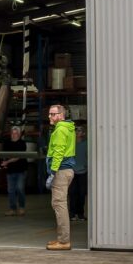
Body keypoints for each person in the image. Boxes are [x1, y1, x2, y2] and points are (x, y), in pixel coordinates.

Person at [46, 105, 77, 250]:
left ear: (61, 115)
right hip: (66, 170)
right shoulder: (68, 128)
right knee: (59, 203)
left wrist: (53, 172)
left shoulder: (60, 130)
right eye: (49, 114)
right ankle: (61, 238)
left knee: (59, 204)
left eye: (53, 114)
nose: (50, 117)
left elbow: (58, 152)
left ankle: (64, 241)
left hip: (61, 171)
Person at [1, 125, 28, 216]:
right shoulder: (6, 143)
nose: (14, 135)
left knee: (20, 189)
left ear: (19, 134)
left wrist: (7, 162)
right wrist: (4, 162)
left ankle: (21, 207)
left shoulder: (22, 143)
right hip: (10, 170)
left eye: (16, 133)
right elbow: (4, 154)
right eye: (13, 133)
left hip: (21, 170)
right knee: (11, 190)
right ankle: (12, 209)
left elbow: (18, 156)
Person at [70, 125, 88, 221]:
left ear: (83, 133)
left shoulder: (87, 144)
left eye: (80, 130)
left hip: (83, 172)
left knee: (81, 194)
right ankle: (72, 214)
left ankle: (80, 213)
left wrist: (86, 166)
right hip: (72, 172)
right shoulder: (71, 144)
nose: (77, 132)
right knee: (72, 193)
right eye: (76, 130)